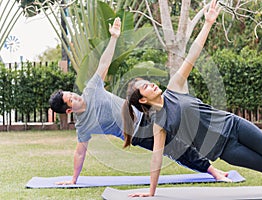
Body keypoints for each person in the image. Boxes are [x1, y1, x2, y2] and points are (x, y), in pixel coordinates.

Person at [123, 0, 262, 197]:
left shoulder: (174, 87)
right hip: (226, 149)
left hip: (234, 125)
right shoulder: (159, 124)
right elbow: (156, 158)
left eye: (148, 82)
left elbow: (192, 55)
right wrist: (151, 192)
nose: (152, 84)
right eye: (145, 87)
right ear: (142, 100)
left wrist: (207, 24)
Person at [49, 17, 230, 185]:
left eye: (71, 93)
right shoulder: (83, 126)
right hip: (137, 133)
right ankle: (214, 172)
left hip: (143, 110)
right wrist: (73, 180)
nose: (75, 96)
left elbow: (104, 64)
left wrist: (114, 38)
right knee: (176, 147)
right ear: (69, 111)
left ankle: (216, 160)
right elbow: (80, 152)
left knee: (184, 124)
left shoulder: (91, 90)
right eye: (70, 100)